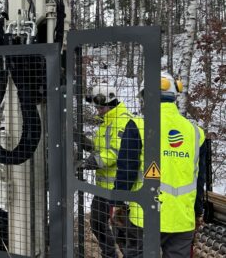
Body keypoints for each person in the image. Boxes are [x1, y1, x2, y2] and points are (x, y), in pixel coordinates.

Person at [112, 72, 207, 258]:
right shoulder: (195, 132)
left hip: (145, 217)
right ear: (174, 96)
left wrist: (117, 203)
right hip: (182, 219)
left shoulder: (138, 125)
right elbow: (199, 178)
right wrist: (197, 212)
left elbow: (126, 170)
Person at [82, 83, 143, 258]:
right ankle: (109, 255)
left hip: (119, 186)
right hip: (102, 187)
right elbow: (104, 148)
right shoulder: (106, 122)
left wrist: (95, 160)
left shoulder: (123, 121)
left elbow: (117, 152)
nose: (98, 111)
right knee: (97, 223)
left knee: (121, 231)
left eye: (100, 107)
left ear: (109, 104)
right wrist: (89, 146)